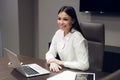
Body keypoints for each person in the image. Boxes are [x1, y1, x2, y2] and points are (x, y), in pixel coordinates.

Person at [45, 6, 89, 72]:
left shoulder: (77, 37)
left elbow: (84, 65)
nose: (61, 22)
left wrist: (60, 62)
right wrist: (52, 62)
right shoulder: (58, 33)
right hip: (65, 71)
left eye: (65, 19)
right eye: (59, 19)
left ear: (73, 21)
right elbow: (50, 53)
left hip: (77, 73)